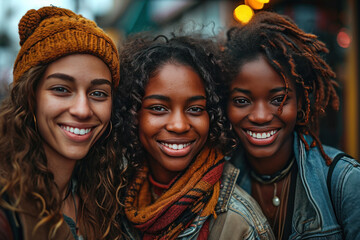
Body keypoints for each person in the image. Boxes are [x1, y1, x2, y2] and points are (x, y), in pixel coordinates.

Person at [113, 33, 275, 240]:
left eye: (195, 109)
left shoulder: (238, 222)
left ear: (213, 115)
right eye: (159, 108)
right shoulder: (114, 201)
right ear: (132, 114)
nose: (179, 125)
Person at [220, 11, 360, 240]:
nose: (261, 116)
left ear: (301, 102)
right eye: (242, 101)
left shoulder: (345, 181)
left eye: (279, 100)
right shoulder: (217, 183)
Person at [0, 6, 124, 240]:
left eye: (98, 93)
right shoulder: (7, 207)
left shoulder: (107, 197)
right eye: (61, 89)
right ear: (30, 95)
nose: (82, 110)